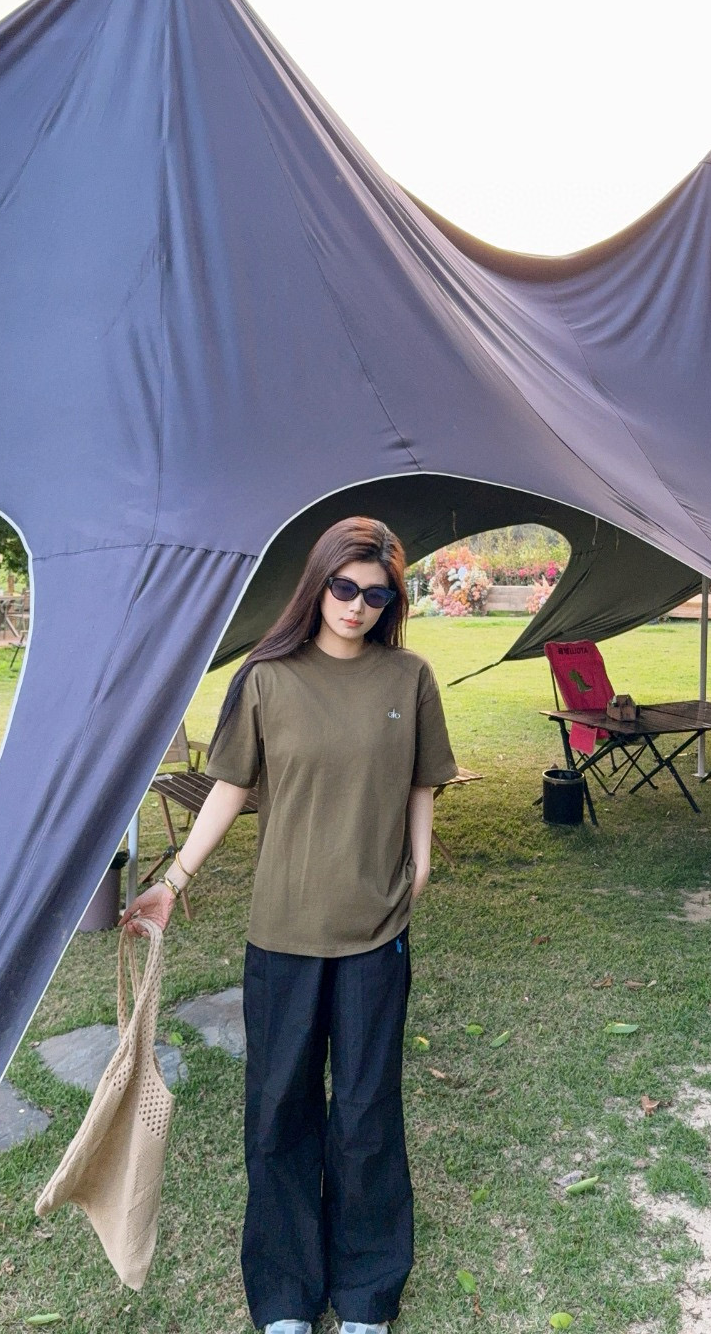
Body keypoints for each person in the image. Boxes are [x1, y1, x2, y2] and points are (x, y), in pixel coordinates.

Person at [120, 515, 459, 1334]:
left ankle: (368, 1293)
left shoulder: (409, 678)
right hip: (281, 935)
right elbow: (232, 786)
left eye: (376, 596)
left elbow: (423, 781)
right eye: (344, 587)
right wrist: (173, 879)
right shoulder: (266, 679)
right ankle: (284, 1298)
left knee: (367, 1114)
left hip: (376, 932)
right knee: (278, 1114)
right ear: (318, 583)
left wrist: (420, 864)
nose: (357, 605)